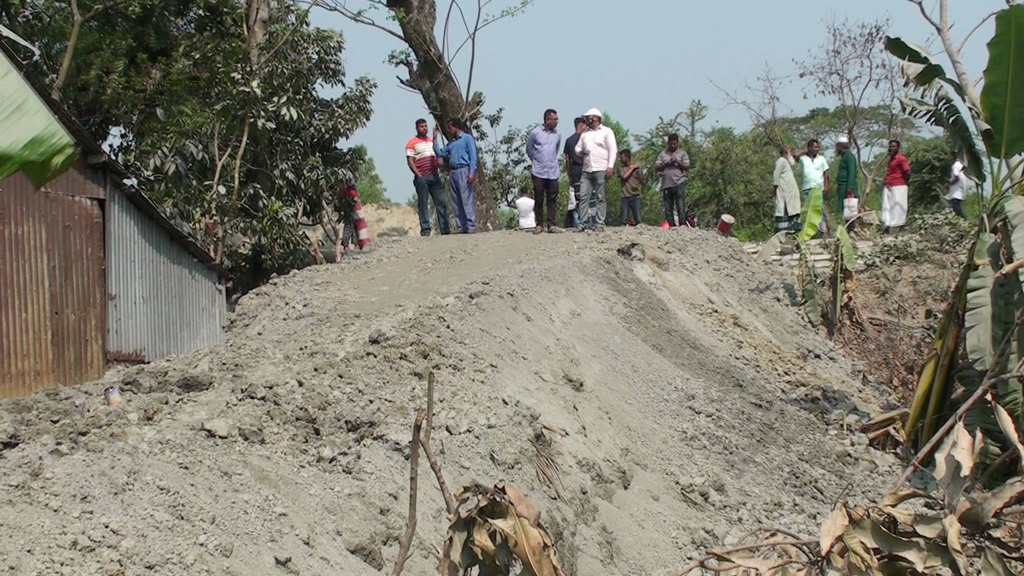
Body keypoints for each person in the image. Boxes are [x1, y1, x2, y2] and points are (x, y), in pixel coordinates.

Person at [574, 108, 617, 231]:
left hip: (601, 168)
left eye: (589, 117)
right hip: (587, 169)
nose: (587, 120)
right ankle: (582, 223)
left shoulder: (607, 132)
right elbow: (577, 149)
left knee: (600, 196)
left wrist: (610, 166)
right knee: (583, 196)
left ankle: (600, 223)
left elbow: (612, 149)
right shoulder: (585, 133)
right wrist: (582, 152)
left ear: (596, 118)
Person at [433, 118, 478, 233]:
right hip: (453, 172)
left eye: (450, 127)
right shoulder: (451, 143)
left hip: (464, 169)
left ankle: (471, 225)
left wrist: (472, 171)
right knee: (456, 200)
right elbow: (440, 153)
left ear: (456, 126)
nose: (449, 130)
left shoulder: (467, 138)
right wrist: (435, 140)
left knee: (466, 198)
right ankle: (461, 226)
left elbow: (473, 156)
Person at [406, 118, 450, 236]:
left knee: (441, 202)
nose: (424, 128)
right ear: (417, 128)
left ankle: (445, 229)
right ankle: (425, 229)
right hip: (422, 177)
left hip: (434, 176)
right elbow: (410, 161)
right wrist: (418, 175)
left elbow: (438, 155)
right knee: (423, 203)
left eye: (425, 126)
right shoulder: (412, 143)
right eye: (421, 126)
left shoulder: (431, 142)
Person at [526, 109, 562, 234]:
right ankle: (539, 224)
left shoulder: (557, 135)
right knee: (539, 198)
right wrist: (536, 160)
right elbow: (529, 149)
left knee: (552, 199)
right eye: (554, 119)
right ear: (547, 120)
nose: (557, 121)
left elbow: (556, 150)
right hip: (539, 171)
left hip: (552, 171)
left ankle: (551, 224)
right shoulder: (535, 133)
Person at [792, 139, 830, 235]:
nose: (817, 149)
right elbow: (795, 156)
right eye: (815, 147)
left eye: (818, 147)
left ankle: (823, 231)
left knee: (820, 209)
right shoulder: (803, 159)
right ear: (809, 148)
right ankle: (809, 232)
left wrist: (826, 187)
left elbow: (826, 173)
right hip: (807, 188)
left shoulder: (821, 159)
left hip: (819, 189)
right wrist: (805, 151)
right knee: (808, 211)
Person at [654, 133, 690, 227]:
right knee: (668, 208)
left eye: (675, 144)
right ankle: (671, 225)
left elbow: (687, 167)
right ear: (668, 143)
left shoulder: (682, 153)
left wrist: (677, 161)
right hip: (667, 184)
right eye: (671, 144)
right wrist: (667, 163)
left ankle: (682, 225)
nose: (673, 146)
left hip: (678, 183)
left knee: (680, 206)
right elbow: (656, 167)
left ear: (678, 143)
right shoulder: (662, 154)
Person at [881, 139, 911, 232]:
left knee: (899, 206)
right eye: (890, 146)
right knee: (887, 206)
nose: (891, 148)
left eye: (893, 146)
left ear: (898, 148)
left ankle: (901, 226)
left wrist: (903, 182)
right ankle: (887, 226)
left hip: (899, 186)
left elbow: (908, 172)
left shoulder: (901, 158)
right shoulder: (890, 160)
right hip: (889, 185)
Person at [563, 117, 586, 228]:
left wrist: (569, 175)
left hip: (575, 170)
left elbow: (567, 160)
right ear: (581, 125)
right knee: (589, 195)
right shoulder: (585, 138)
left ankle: (579, 221)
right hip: (586, 168)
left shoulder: (569, 140)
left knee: (578, 196)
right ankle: (589, 220)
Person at [773, 145, 801, 233]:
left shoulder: (786, 163)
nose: (791, 155)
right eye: (790, 153)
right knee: (784, 215)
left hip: (790, 196)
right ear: (786, 153)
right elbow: (776, 175)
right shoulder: (781, 161)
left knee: (793, 216)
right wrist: (775, 190)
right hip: (785, 196)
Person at [835, 135, 859, 229]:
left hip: (847, 187)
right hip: (842, 186)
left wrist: (850, 186)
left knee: (850, 209)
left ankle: (852, 228)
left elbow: (852, 172)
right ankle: (848, 228)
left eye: (837, 147)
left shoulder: (849, 156)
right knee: (845, 210)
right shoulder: (844, 156)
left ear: (840, 146)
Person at [618, 149, 644, 226]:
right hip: (625, 196)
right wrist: (632, 168)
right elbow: (624, 176)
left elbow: (643, 182)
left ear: (627, 157)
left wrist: (640, 176)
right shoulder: (621, 169)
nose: (621, 159)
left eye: (622, 157)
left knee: (638, 219)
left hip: (635, 195)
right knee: (624, 220)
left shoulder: (637, 169)